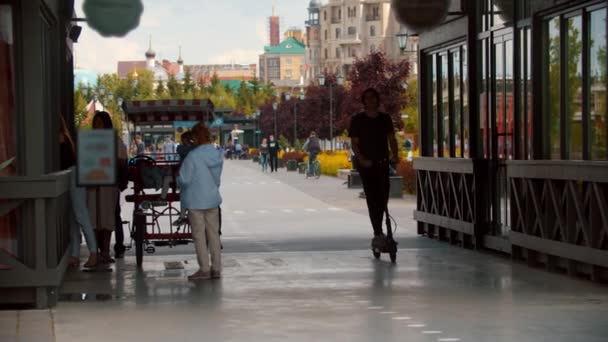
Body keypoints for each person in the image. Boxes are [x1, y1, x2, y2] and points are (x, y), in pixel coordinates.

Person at [348, 88, 399, 249]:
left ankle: (382, 230)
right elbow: (354, 143)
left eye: (374, 98)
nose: (371, 101)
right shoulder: (358, 119)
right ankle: (377, 232)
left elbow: (392, 139)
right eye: (368, 98)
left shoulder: (385, 118)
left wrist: (395, 155)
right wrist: (362, 159)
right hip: (367, 165)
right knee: (372, 197)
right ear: (364, 101)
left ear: (378, 100)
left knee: (383, 196)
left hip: (382, 162)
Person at [178, 123, 224, 280]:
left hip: (196, 200)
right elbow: (217, 179)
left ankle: (204, 269)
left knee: (199, 235)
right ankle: (216, 268)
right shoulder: (216, 154)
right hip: (212, 199)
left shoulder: (193, 156)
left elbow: (184, 179)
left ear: (196, 137)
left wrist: (178, 179)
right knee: (214, 235)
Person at [88, 111, 128, 264]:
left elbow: (122, 160)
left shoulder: (115, 141)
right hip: (92, 185)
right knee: (94, 219)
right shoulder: (89, 141)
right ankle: (96, 251)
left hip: (109, 185)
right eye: (95, 123)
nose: (97, 126)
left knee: (107, 218)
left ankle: (105, 250)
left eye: (100, 123)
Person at [60, 116, 98, 269]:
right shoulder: (66, 137)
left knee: (80, 215)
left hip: (72, 175)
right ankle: (76, 255)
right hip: (75, 174)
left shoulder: (60, 137)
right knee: (76, 217)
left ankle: (93, 252)